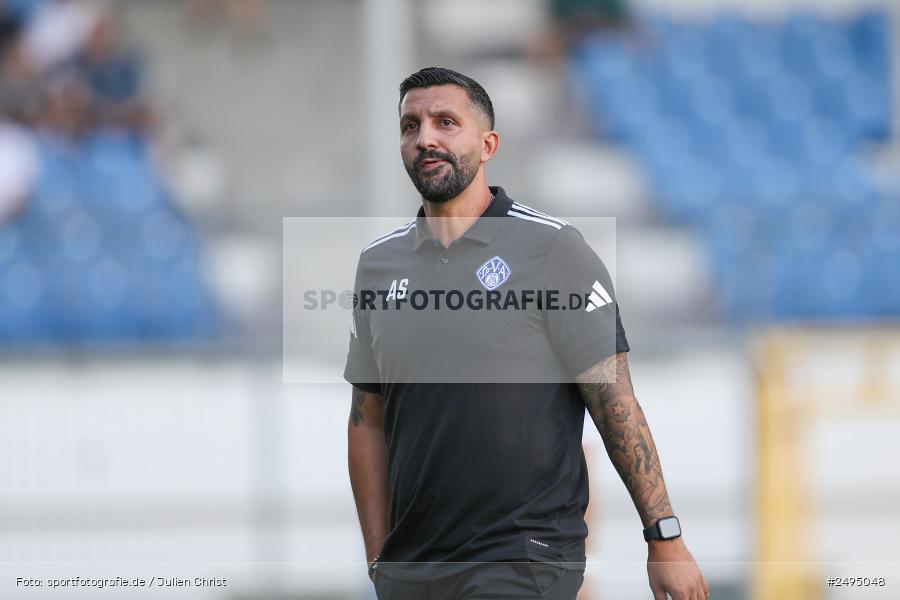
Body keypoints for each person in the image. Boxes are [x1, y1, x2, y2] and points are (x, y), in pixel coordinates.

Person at [345, 67, 708, 600]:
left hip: (523, 557)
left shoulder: (553, 250)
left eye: (447, 122)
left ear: (488, 143)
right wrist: (380, 560)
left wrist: (664, 537)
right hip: (414, 568)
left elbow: (614, 401)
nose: (425, 138)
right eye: (410, 125)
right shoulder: (377, 264)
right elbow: (366, 419)